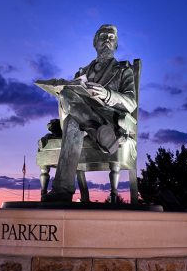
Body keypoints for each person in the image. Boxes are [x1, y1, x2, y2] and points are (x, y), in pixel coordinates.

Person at [43, 24, 137, 202]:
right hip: (94, 125)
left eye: (111, 37)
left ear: (116, 44)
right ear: (95, 43)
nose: (107, 40)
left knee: (72, 121)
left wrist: (107, 94)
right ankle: (102, 135)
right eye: (103, 36)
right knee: (66, 95)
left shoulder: (124, 71)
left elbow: (131, 103)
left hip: (110, 119)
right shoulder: (82, 72)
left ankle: (62, 189)